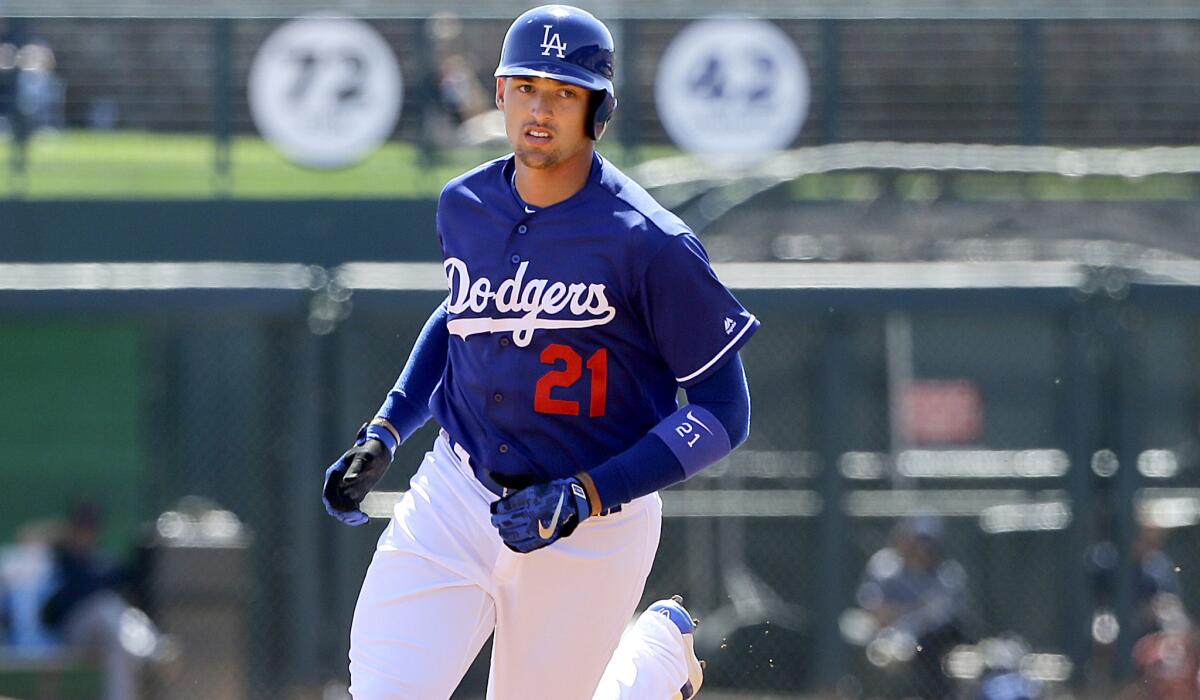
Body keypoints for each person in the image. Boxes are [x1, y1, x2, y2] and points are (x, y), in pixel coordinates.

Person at [320, 4, 758, 698]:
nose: (540, 107)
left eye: (564, 92)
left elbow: (724, 411)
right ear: (498, 94)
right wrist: (387, 427)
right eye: (526, 86)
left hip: (591, 521)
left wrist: (585, 496)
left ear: (598, 110)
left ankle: (654, 658)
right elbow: (466, 314)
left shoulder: (651, 241)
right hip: (456, 494)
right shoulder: (464, 204)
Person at [39, 500, 167, 700]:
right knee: (105, 606)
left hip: (110, 636)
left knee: (119, 635)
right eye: (81, 526)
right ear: (72, 527)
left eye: (91, 526)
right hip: (73, 632)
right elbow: (28, 536)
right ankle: (152, 650)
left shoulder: (105, 563)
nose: (86, 532)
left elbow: (136, 584)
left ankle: (143, 651)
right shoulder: (60, 559)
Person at [853, 514, 968, 699]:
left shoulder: (947, 575)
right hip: (886, 638)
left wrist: (903, 614)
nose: (922, 548)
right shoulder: (884, 566)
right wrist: (912, 612)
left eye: (928, 542)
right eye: (915, 540)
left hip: (930, 646)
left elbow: (945, 619)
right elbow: (874, 610)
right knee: (879, 652)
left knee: (935, 652)